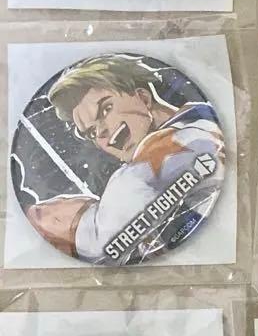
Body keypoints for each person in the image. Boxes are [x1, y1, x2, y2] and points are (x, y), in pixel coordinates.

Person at [22, 54, 225, 264]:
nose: (101, 132)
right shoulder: (201, 120)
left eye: (105, 109)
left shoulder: (171, 146)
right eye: (91, 132)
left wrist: (56, 221)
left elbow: (100, 241)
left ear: (143, 98)